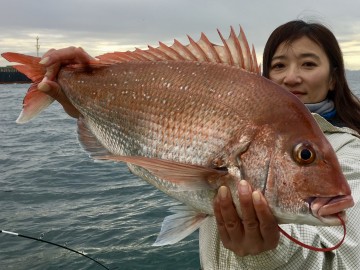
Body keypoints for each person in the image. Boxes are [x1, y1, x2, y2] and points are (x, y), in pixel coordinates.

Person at [36, 20, 360, 269]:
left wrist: (271, 253)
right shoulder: (249, 111)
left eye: (308, 63)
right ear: (265, 76)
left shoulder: (350, 150)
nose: (291, 77)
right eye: (278, 65)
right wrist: (91, 94)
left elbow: (347, 260)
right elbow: (150, 147)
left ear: (333, 78)